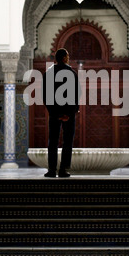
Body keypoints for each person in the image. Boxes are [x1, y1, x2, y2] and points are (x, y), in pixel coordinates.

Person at [42, 48, 80, 178]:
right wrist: (69, 113)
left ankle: (52, 169)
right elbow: (76, 95)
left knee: (53, 141)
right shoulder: (72, 74)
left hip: (54, 114)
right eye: (67, 56)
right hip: (68, 115)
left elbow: (46, 96)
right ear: (64, 58)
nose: (68, 58)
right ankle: (63, 169)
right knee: (67, 141)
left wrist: (55, 113)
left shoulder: (49, 74)